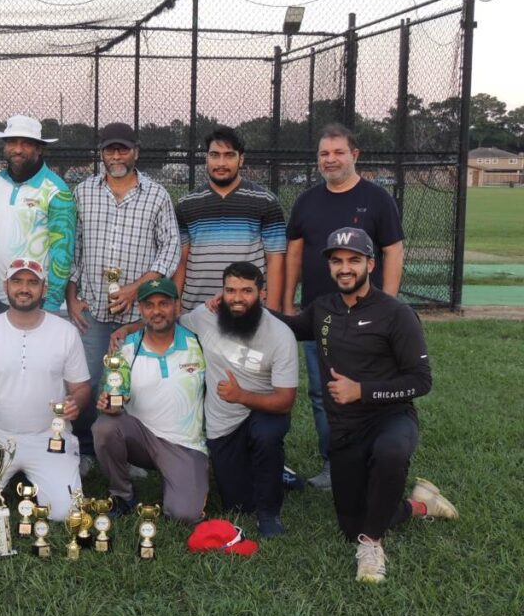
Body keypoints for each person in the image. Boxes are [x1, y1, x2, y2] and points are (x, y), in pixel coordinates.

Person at [278, 227, 457, 582]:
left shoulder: (396, 313)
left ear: (370, 264)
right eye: (337, 261)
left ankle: (372, 547)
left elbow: (421, 380)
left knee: (390, 456)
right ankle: (421, 504)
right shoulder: (323, 308)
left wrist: (362, 390)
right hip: (345, 428)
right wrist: (242, 307)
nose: (345, 268)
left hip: (390, 417)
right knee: (351, 522)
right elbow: (290, 326)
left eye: (354, 260)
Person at [284, 123, 406, 489]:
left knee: (368, 387)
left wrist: (388, 304)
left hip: (368, 315)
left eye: (338, 152)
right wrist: (289, 302)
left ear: (355, 155)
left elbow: (393, 250)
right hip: (318, 315)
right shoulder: (306, 200)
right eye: (324, 153)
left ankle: (375, 456)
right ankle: (333, 464)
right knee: (324, 392)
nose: (330, 159)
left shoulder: (378, 198)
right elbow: (293, 253)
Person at [66, 122, 180, 470]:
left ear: (136, 152)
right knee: (86, 380)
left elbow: (170, 249)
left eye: (123, 149)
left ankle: (132, 451)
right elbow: (74, 249)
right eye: (110, 149)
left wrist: (137, 290)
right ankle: (86, 449)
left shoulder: (156, 195)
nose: (116, 156)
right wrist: (72, 296)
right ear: (101, 153)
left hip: (138, 314)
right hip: (94, 310)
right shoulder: (83, 192)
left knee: (136, 382)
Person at [0, 257, 90, 520]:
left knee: (65, 513)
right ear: (6, 286)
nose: (24, 288)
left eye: (32, 282)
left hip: (48, 437)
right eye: (17, 281)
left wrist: (77, 402)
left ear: (44, 289)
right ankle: (14, 482)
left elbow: (81, 387)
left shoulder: (65, 332)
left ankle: (33, 482)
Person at [180, 262, 298, 537]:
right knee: (238, 504)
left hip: (263, 411)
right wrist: (128, 331)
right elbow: (170, 325)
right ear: (221, 292)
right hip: (224, 425)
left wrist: (241, 396)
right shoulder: (205, 316)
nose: (237, 298)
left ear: (263, 294)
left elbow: (285, 401)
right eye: (231, 290)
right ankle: (279, 474)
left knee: (266, 437)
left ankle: (269, 515)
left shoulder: (280, 335)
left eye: (247, 291)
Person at [92, 278, 208, 523]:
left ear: (177, 306)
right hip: (141, 438)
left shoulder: (197, 344)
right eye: (149, 305)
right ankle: (122, 494)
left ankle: (182, 481)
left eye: (164, 303)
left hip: (185, 444)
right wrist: (110, 405)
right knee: (104, 427)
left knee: (184, 515)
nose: (157, 311)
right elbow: (113, 392)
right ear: (141, 310)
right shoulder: (125, 349)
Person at [172, 125, 287, 314]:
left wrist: (272, 312)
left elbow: (275, 260)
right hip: (197, 311)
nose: (221, 163)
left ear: (241, 159)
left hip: (248, 311)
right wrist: (176, 303)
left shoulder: (265, 201)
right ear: (206, 159)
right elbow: (181, 262)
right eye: (215, 155)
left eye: (229, 155)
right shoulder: (186, 204)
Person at [0, 115, 76, 313]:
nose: (17, 149)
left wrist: (52, 302)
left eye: (26, 144)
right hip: (3, 295)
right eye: (11, 142)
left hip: (38, 300)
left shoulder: (56, 190)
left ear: (40, 148)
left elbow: (63, 252)